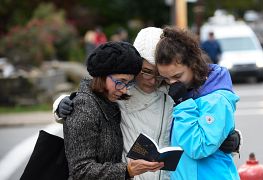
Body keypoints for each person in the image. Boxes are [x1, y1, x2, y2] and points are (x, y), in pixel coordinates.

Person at [54, 27, 241, 180]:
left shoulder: (174, 90)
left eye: (158, 74)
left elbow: (209, 119)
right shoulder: (121, 89)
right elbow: (90, 105)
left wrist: (234, 138)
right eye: (146, 71)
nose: (152, 80)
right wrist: (61, 105)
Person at [63, 41, 164, 179]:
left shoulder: (108, 102)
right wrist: (127, 170)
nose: (123, 89)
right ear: (102, 75)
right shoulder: (84, 107)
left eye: (127, 83)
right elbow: (80, 170)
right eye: (120, 81)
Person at [155, 26, 240, 179]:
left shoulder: (216, 98)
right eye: (166, 79)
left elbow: (198, 147)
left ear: (193, 64)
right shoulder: (188, 90)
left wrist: (182, 104)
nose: (173, 83)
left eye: (177, 76)